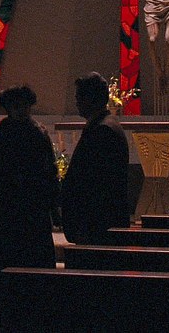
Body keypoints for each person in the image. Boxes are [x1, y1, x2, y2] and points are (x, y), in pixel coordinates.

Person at [0, 85, 59, 331]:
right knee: (23, 285)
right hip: (26, 219)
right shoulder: (36, 135)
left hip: (4, 218)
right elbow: (50, 179)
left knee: (6, 284)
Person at [61, 72, 130, 244]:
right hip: (100, 222)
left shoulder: (102, 130)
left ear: (91, 99)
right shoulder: (106, 124)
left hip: (97, 224)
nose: (76, 102)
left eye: (79, 97)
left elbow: (93, 183)